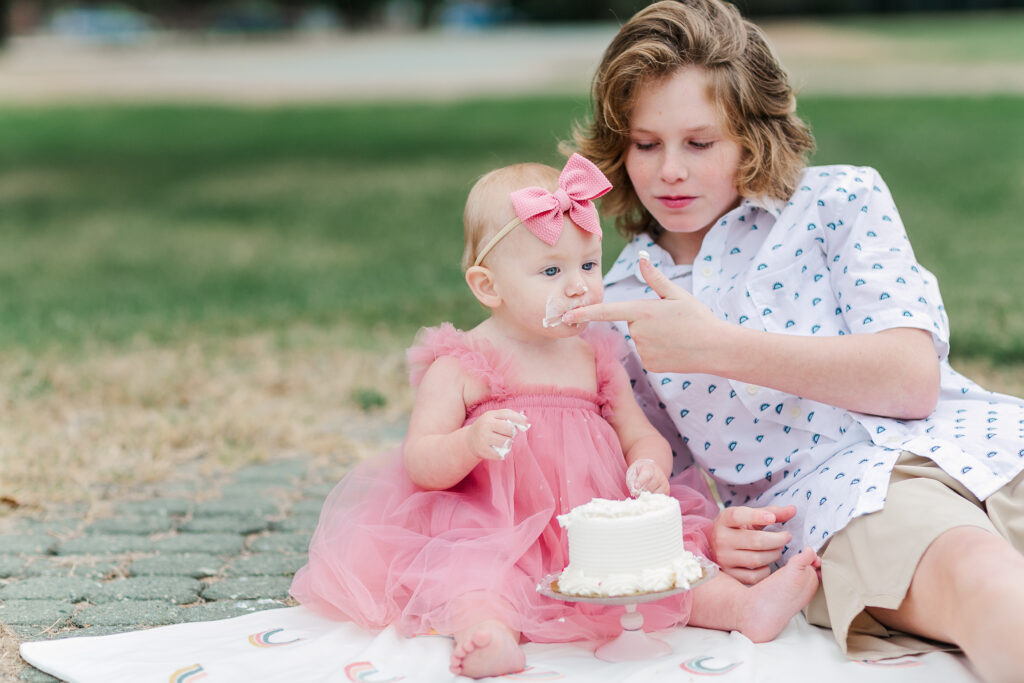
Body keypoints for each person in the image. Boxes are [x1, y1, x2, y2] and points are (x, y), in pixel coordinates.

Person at [560, 1, 1024, 681]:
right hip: (840, 505)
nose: (669, 172)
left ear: (750, 135)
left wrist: (714, 344)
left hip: (986, 439)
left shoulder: (843, 202)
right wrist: (709, 537)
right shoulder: (619, 308)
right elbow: (658, 480)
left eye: (700, 141)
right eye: (645, 143)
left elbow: (910, 378)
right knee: (984, 581)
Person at [290, 153, 821, 679]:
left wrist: (650, 466)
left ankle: (742, 610)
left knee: (665, 565)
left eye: (589, 265)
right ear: (487, 286)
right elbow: (422, 461)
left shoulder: (596, 356)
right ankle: (491, 636)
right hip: (496, 530)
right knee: (475, 579)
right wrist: (471, 441)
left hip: (594, 529)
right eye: (551, 270)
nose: (578, 286)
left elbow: (642, 435)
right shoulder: (461, 364)